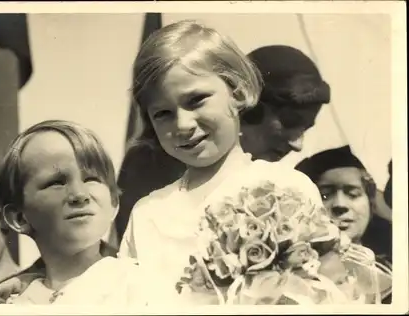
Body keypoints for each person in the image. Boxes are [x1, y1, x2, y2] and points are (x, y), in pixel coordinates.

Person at [118, 20, 331, 302]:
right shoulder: (147, 214)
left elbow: (318, 292)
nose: (182, 124)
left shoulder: (286, 189)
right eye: (163, 113)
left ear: (239, 93)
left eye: (196, 100)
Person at [114, 44, 331, 243]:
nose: (297, 144)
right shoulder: (152, 165)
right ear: (250, 104)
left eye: (305, 128)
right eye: (290, 122)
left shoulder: (288, 188)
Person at [0, 120, 179, 305]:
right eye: (57, 182)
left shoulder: (139, 287)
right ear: (19, 217)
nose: (80, 195)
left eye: (91, 179)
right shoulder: (17, 302)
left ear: (113, 201)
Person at [295, 146, 392, 265]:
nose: (340, 204)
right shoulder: (293, 272)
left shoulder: (393, 267)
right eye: (324, 195)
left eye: (353, 194)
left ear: (370, 203)